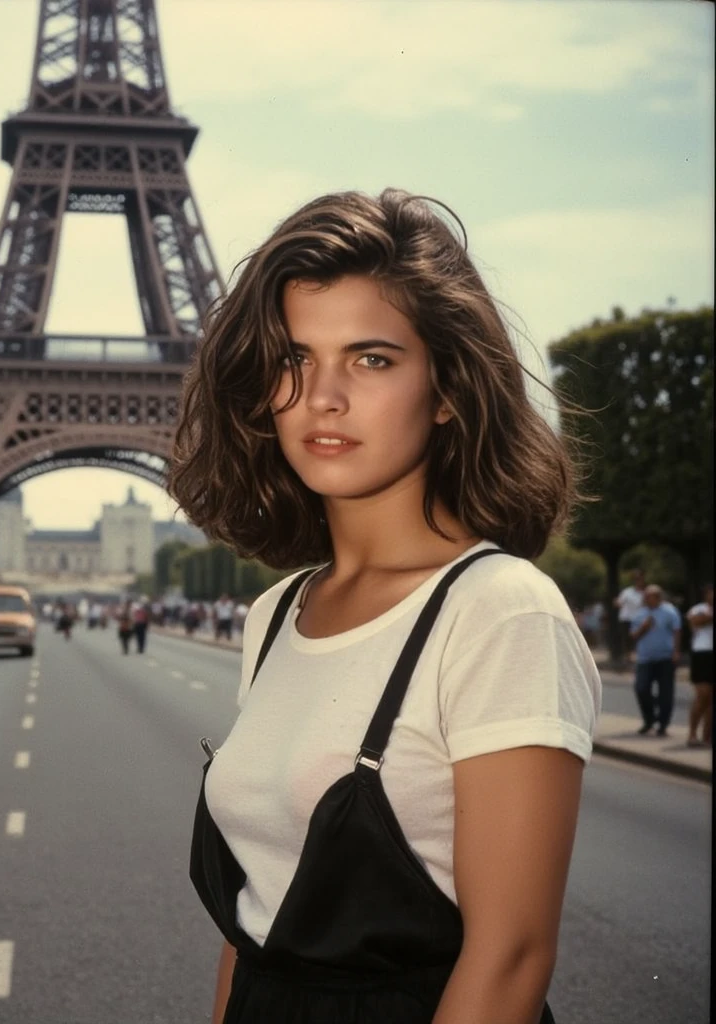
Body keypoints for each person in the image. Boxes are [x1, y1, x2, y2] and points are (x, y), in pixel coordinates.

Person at [167, 188, 601, 1024]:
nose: (323, 397)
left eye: (371, 359)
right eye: (294, 360)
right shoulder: (275, 615)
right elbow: (254, 924)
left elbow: (511, 958)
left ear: (446, 388)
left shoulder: (502, 612)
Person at [629, 584, 682, 737]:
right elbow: (633, 636)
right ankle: (649, 719)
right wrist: (644, 628)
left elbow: (677, 631)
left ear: (658, 597)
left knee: (666, 692)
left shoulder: (669, 611)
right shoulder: (640, 614)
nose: (645, 599)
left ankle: (663, 725)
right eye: (645, 596)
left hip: (665, 657)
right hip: (645, 658)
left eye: (648, 596)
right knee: (641, 688)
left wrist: (676, 652)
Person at [685, 583, 713, 747]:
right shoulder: (698, 609)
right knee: (703, 695)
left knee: (711, 699)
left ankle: (706, 736)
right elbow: (695, 622)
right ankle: (692, 733)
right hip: (702, 654)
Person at [614, 569, 646, 663]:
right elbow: (619, 602)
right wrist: (617, 602)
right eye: (637, 579)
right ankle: (628, 657)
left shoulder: (645, 593)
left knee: (639, 637)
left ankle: (639, 655)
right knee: (627, 639)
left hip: (639, 619)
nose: (639, 581)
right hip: (626, 618)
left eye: (640, 579)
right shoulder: (627, 592)